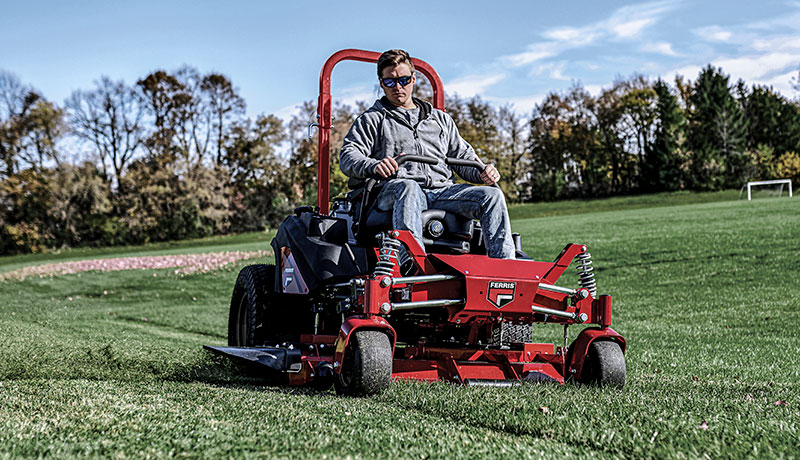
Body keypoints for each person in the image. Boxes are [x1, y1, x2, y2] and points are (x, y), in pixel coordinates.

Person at [339, 49, 515, 259]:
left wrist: (483, 173)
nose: (398, 87)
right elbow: (349, 156)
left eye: (404, 80)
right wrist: (374, 165)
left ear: (413, 79)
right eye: (390, 82)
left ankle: (505, 268)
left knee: (492, 196)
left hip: (442, 192)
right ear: (381, 83)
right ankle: (412, 264)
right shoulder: (373, 119)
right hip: (394, 191)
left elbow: (464, 157)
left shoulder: (440, 120)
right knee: (409, 187)